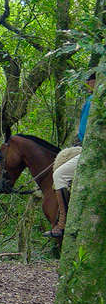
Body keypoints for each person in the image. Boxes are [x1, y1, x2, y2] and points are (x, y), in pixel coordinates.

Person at [44, 72, 95, 237]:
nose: (86, 85)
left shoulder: (93, 100)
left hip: (92, 148)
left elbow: (86, 131)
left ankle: (62, 224)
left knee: (59, 175)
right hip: (88, 146)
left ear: (94, 82)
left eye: (88, 82)